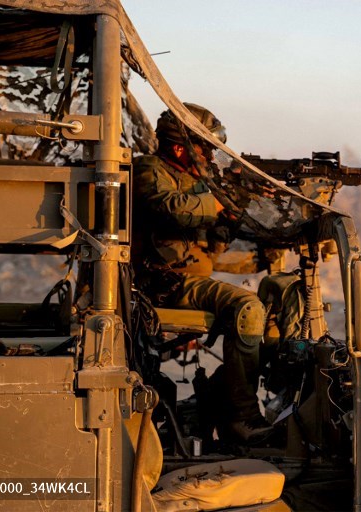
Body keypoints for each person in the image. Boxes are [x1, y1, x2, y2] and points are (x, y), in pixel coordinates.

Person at [132, 103, 272, 442]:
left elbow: (207, 252)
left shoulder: (196, 182)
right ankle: (243, 418)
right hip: (165, 283)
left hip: (191, 280)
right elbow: (171, 208)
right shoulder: (149, 169)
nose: (209, 156)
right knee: (248, 308)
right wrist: (218, 203)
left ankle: (220, 399)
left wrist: (233, 215)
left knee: (278, 298)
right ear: (180, 147)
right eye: (204, 147)